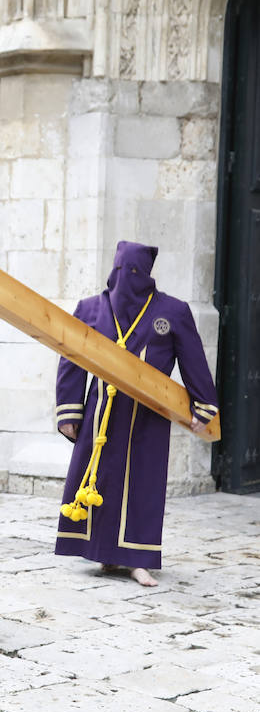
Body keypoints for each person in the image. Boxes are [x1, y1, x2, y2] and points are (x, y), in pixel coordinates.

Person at [55, 240, 219, 587]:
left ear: (145, 275)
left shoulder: (171, 311)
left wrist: (204, 405)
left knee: (141, 485)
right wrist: (69, 411)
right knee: (100, 480)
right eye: (119, 270)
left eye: (132, 273)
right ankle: (103, 554)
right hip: (101, 414)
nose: (124, 279)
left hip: (148, 418)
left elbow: (193, 359)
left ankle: (137, 560)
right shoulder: (90, 308)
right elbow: (70, 358)